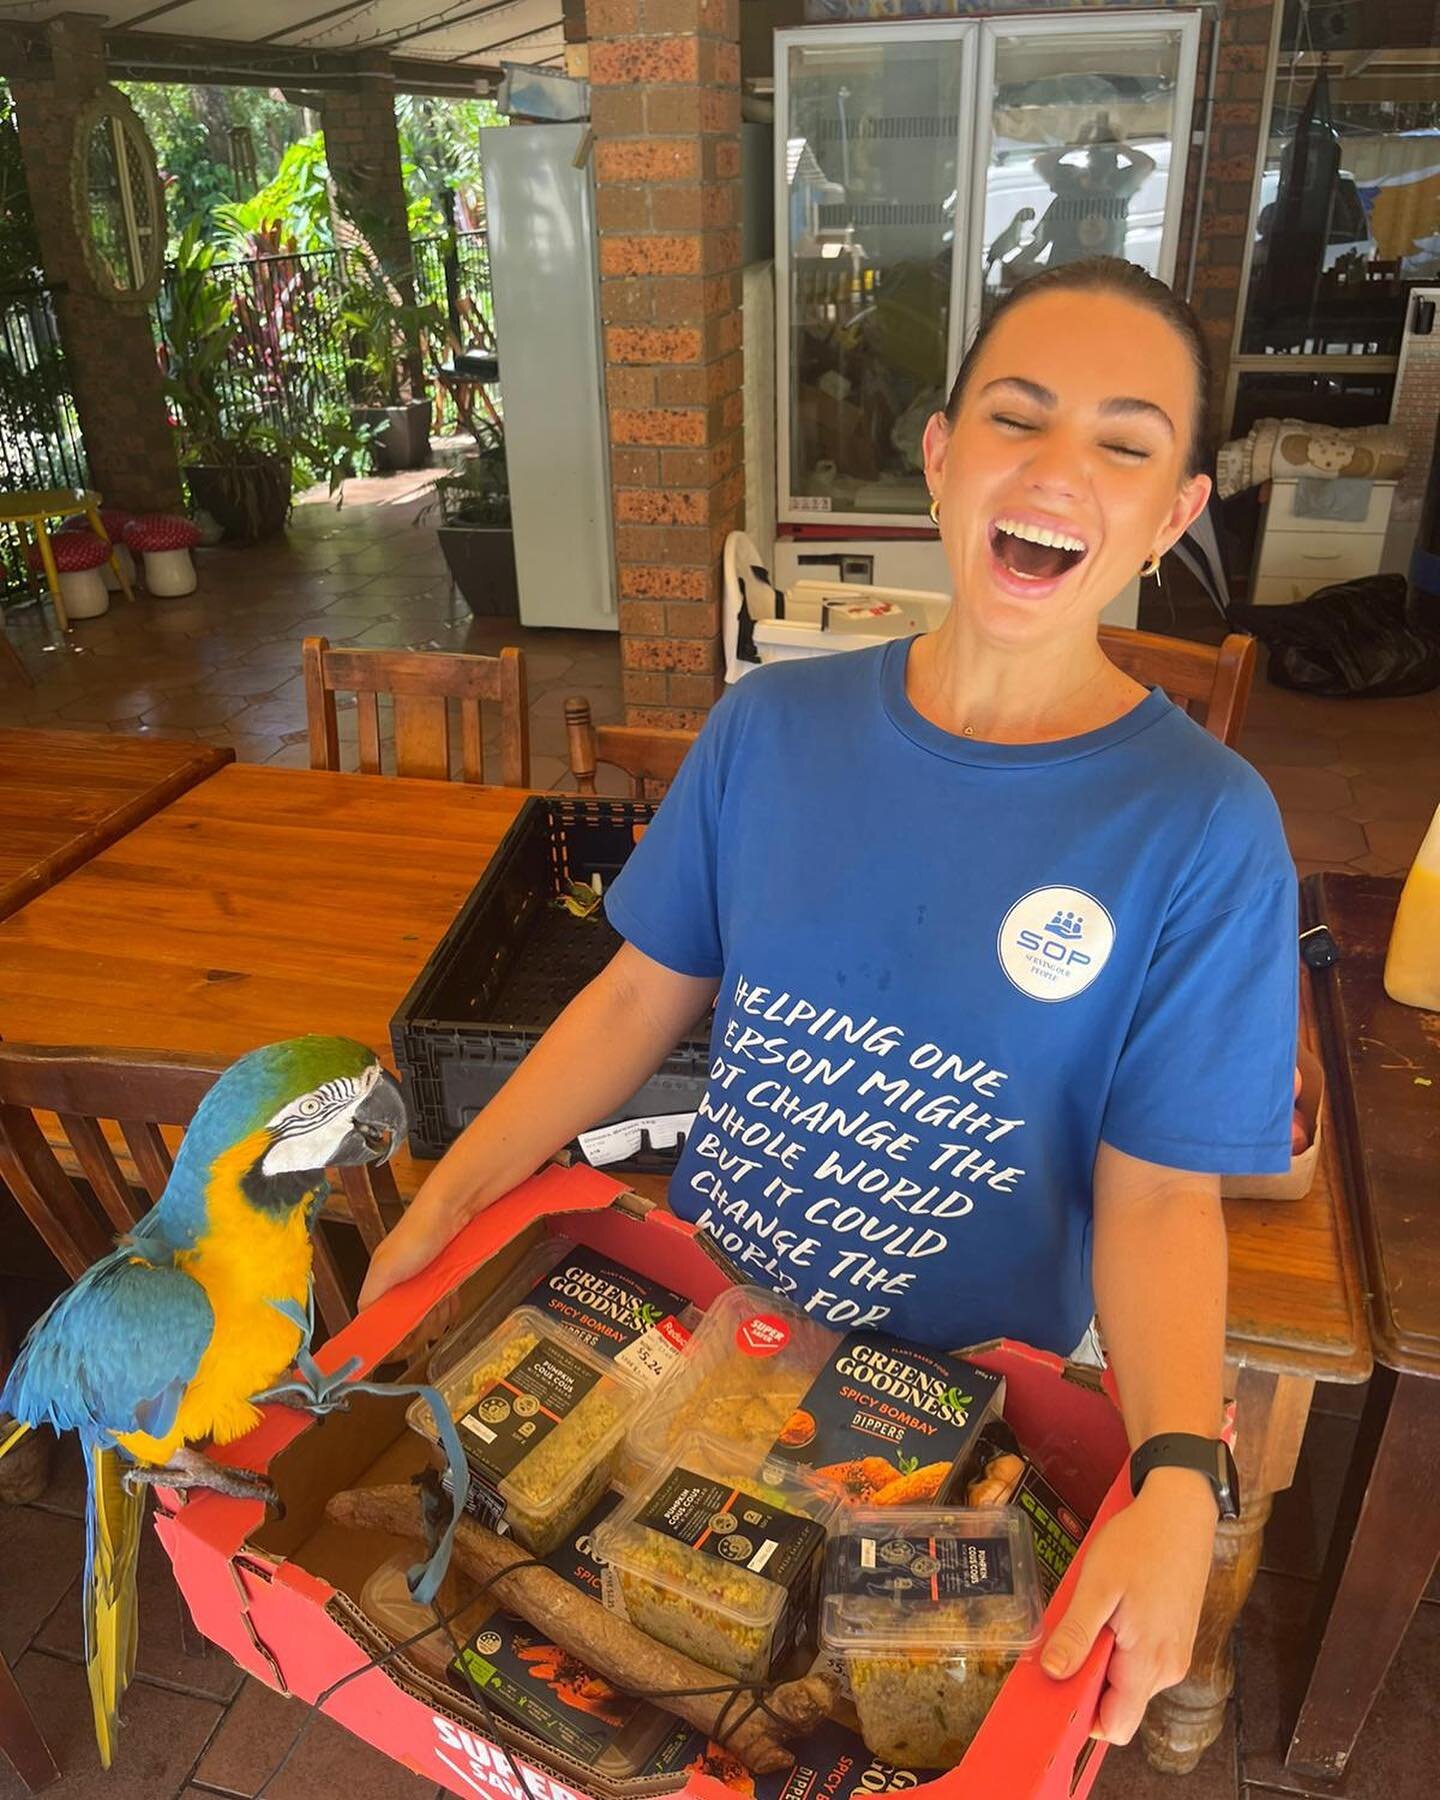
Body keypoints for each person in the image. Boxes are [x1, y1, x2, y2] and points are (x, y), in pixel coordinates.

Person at [362, 258, 1298, 1749]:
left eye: (1125, 443)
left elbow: (1163, 1196)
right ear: (938, 458)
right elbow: (630, 1003)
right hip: (704, 1337)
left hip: (948, 1422)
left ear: (1177, 513)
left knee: (860, 1731)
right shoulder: (771, 728)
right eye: (1018, 416)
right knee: (642, 1695)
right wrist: (444, 1195)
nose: (1059, 470)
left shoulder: (1201, 827)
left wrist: (1182, 1469)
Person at [1006, 114, 1157, 277]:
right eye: (1095, 155)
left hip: (1104, 280)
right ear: (1088, 158)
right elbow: (1042, 164)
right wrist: (1076, 143)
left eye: (1107, 159)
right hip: (1061, 280)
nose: (1101, 165)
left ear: (1115, 163)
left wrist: (1115, 145)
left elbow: (1146, 164)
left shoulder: (1118, 187)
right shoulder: (1070, 183)